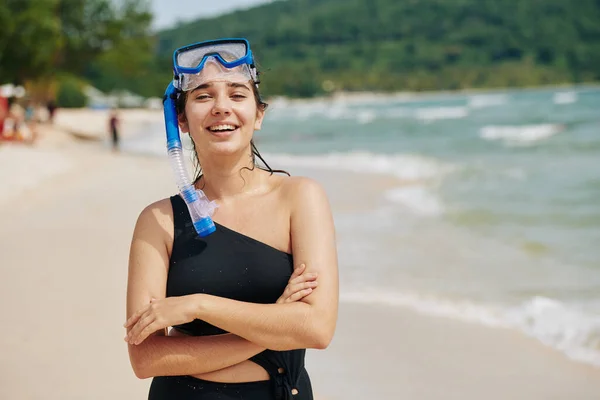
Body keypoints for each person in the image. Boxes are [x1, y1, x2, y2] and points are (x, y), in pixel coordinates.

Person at [124, 38, 339, 400]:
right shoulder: (158, 220)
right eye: (203, 96)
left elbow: (317, 328)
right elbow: (145, 358)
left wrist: (197, 305)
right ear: (181, 119)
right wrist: (275, 322)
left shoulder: (300, 198)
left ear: (258, 115)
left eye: (238, 95)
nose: (221, 107)